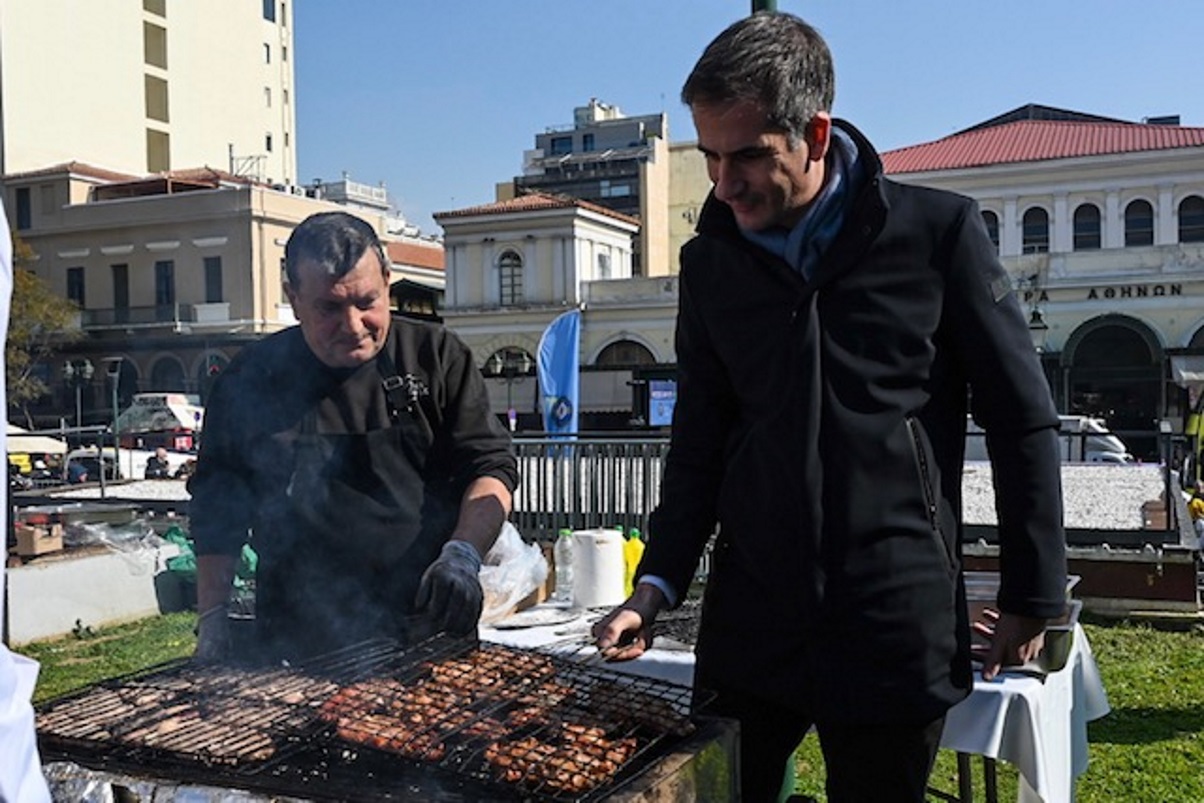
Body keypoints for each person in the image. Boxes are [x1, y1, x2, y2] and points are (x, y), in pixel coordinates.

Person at [592, 13, 1068, 803]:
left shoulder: (937, 233)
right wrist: (660, 582)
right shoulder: (709, 263)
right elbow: (700, 438)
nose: (723, 182)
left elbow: (1023, 417)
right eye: (709, 155)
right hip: (752, 619)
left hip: (892, 615)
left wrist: (1033, 593)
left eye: (747, 155)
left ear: (814, 134)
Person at [189, 211, 518, 663]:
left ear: (387, 280)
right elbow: (217, 507)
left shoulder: (436, 357)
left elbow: (490, 467)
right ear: (294, 298)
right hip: (296, 634)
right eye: (329, 307)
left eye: (367, 301)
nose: (353, 324)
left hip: (428, 624)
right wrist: (213, 617)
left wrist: (462, 554)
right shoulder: (251, 378)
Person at [1189, 479, 1204, 550]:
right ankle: (1199, 549)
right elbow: (1197, 514)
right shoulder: (1194, 500)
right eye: (1198, 487)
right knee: (1201, 524)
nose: (1200, 489)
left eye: (1201, 487)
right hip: (1197, 521)